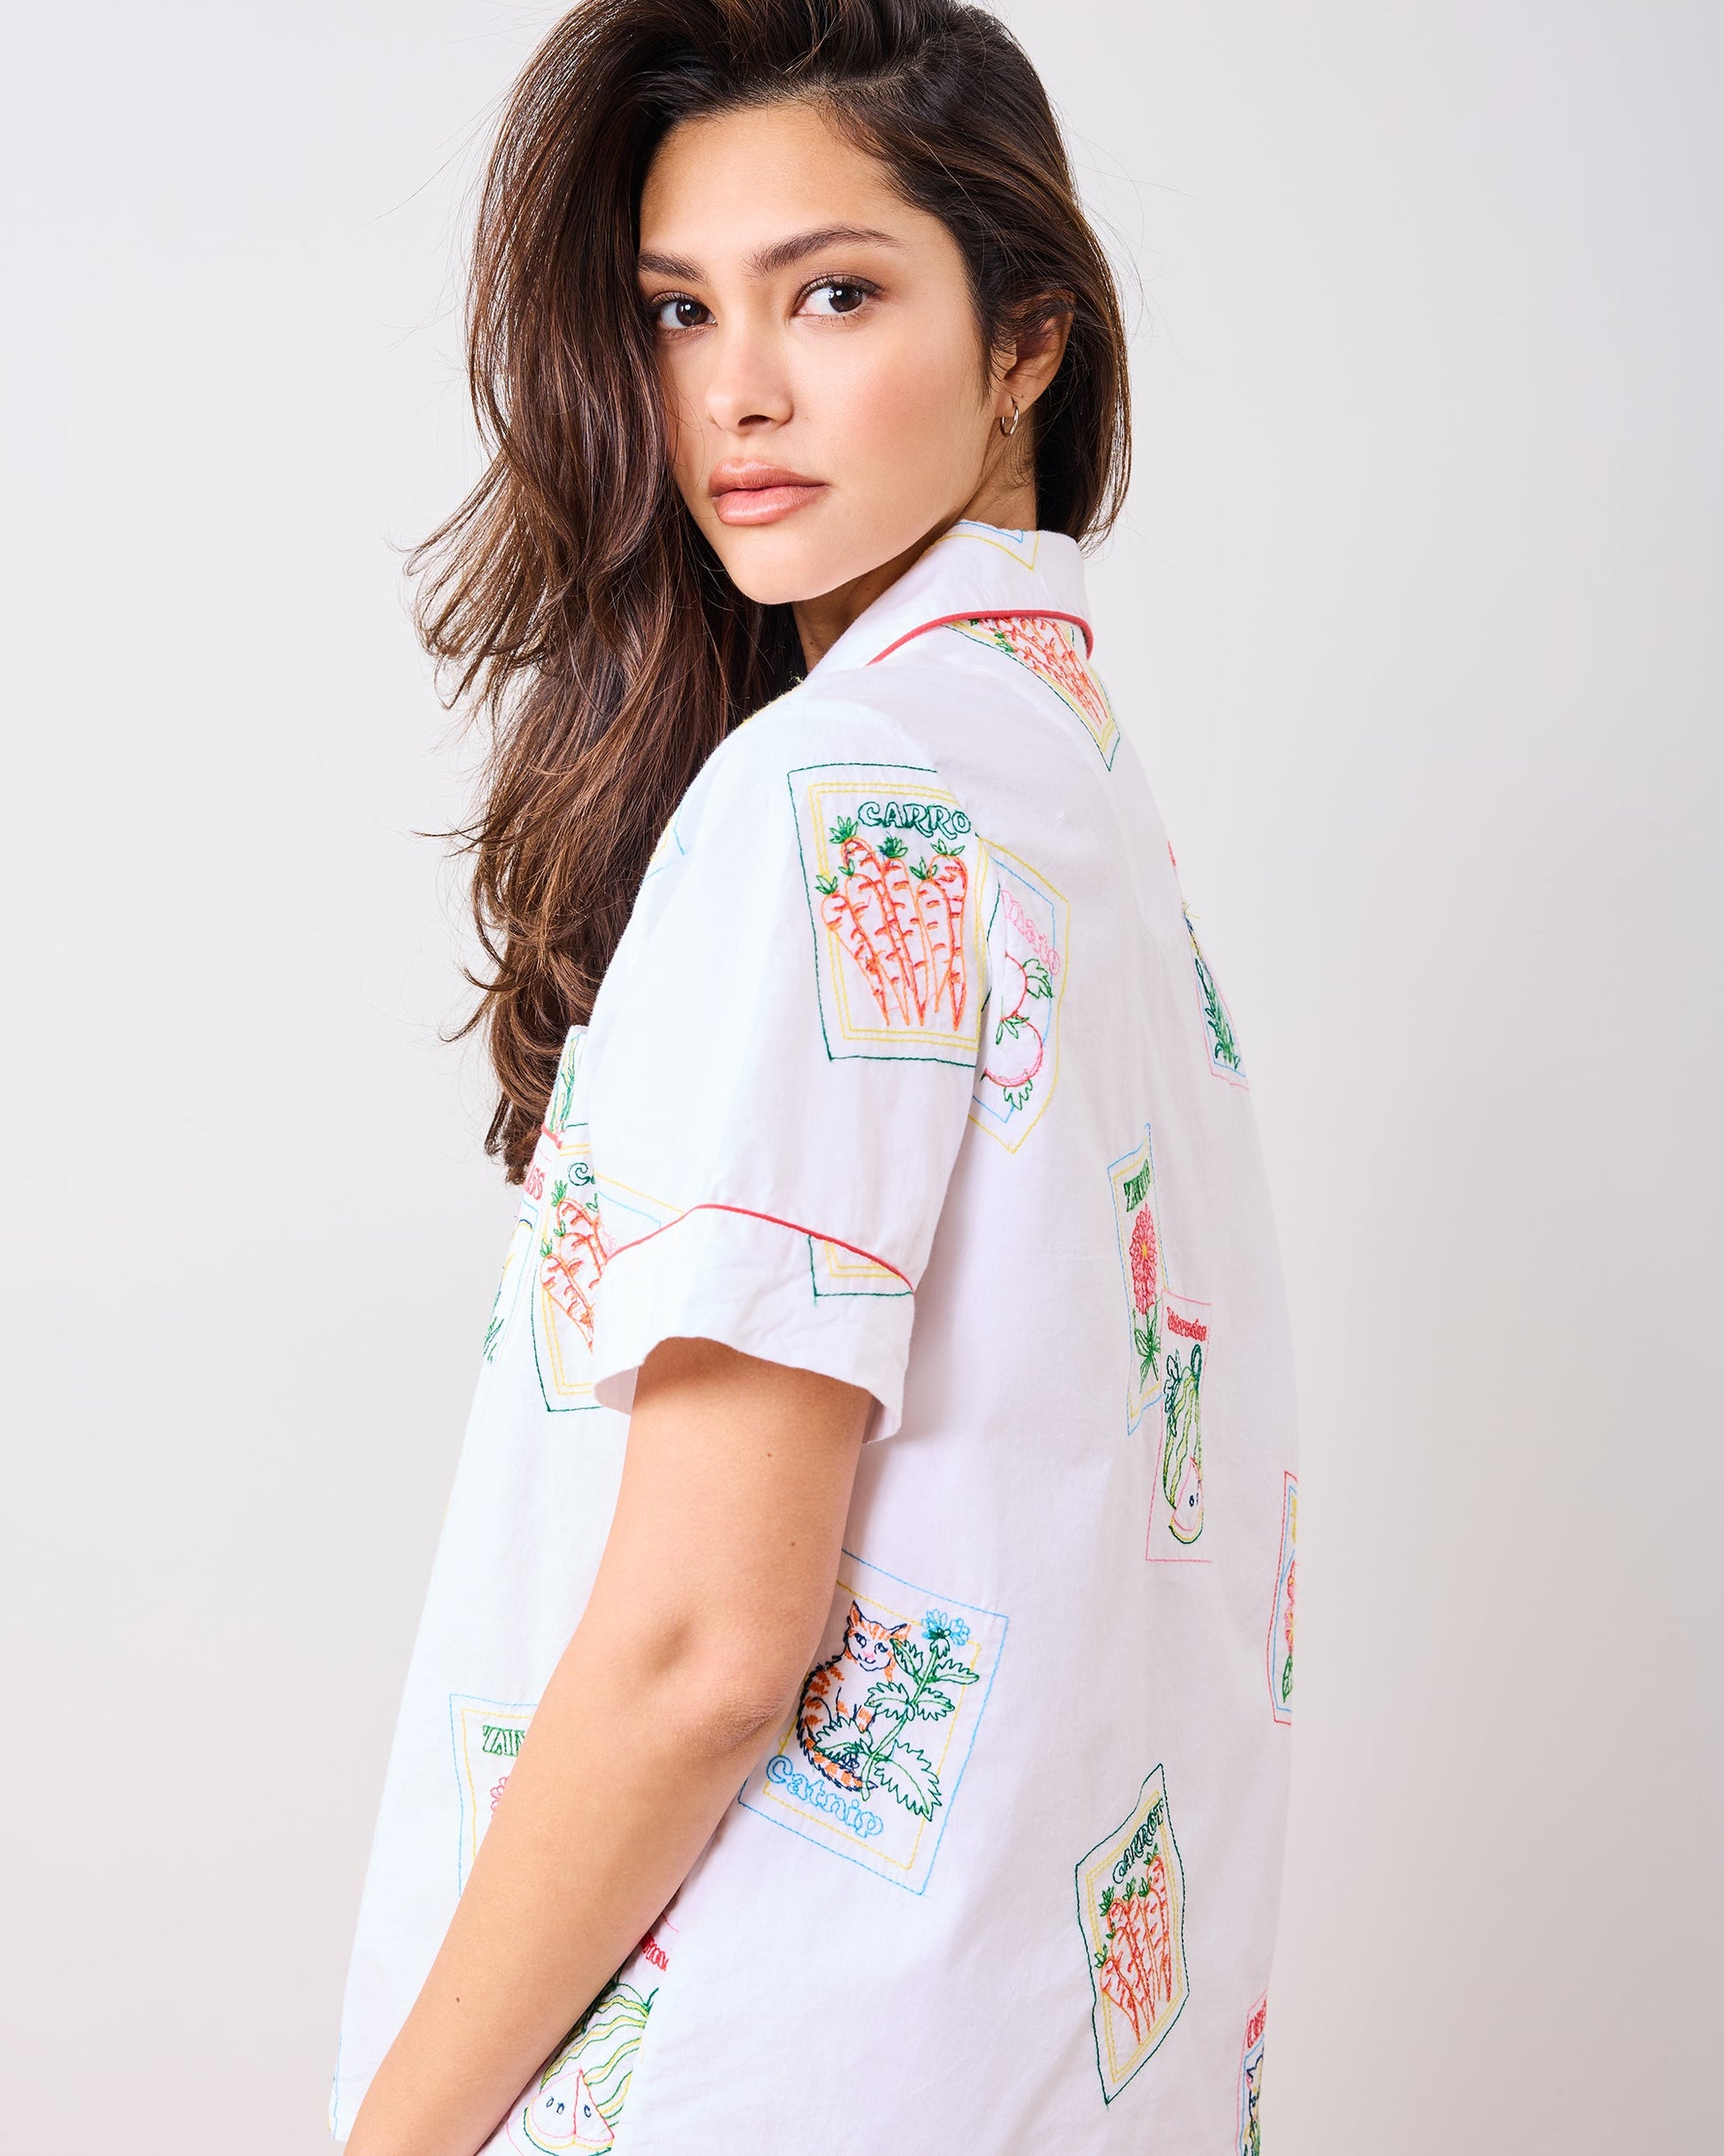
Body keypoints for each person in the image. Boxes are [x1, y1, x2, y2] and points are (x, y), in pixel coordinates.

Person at [332, 3, 1299, 2151]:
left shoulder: (836, 792)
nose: (735, 390)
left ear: (1027, 337)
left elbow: (704, 1644)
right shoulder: (1074, 803)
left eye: (833, 293)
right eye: (679, 309)